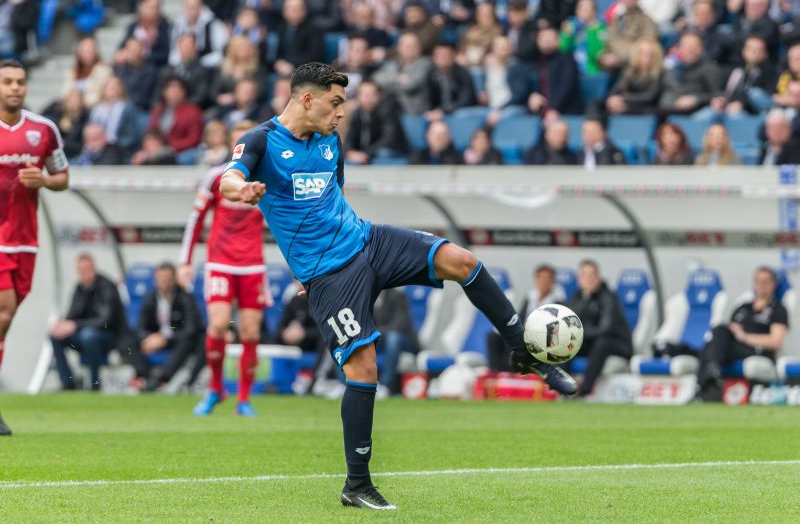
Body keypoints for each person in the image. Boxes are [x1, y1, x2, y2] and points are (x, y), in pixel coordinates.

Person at [220, 62, 576, 509]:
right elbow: (227, 180)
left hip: (368, 241)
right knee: (363, 371)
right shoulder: (261, 141)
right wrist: (244, 191)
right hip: (330, 274)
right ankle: (357, 485)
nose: (341, 113)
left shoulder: (330, 140)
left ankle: (524, 351)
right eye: (335, 102)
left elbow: (333, 195)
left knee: (460, 259)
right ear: (306, 99)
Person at [180, 120, 271, 417]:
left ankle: (243, 399)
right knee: (218, 325)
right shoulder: (217, 176)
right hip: (220, 262)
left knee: (249, 331)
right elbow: (195, 220)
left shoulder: (265, 178)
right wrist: (185, 261)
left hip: (253, 265)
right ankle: (216, 388)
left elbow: (284, 222)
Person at [0, 59, 70, 436]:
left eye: (21, 82)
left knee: (6, 319)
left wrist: (43, 180)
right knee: (5, 311)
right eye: (8, 82)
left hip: (25, 240)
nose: (15, 88)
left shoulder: (44, 131)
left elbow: (63, 177)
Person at [696, 266, 788, 401]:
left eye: (765, 281)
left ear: (773, 284)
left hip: (758, 350)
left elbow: (775, 342)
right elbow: (729, 331)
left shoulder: (778, 309)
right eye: (758, 281)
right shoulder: (743, 307)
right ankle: (712, 374)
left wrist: (745, 337)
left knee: (712, 347)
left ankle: (706, 384)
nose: (761, 285)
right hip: (734, 349)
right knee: (718, 331)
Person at [50, 254, 127, 391]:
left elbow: (105, 321)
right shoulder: (79, 288)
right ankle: (68, 382)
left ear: (94, 267)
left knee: (89, 335)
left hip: (109, 338)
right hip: (84, 337)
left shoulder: (107, 287)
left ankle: (94, 383)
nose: (84, 273)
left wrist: (75, 325)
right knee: (55, 336)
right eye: (81, 270)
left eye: (87, 269)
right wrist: (62, 325)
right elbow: (72, 316)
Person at [566, 260, 633, 397]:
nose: (589, 279)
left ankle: (584, 390)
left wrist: (579, 334)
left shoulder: (609, 297)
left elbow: (606, 329)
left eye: (593, 275)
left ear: (599, 278)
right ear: (579, 280)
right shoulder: (576, 298)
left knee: (602, 342)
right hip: (591, 342)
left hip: (617, 343)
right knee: (566, 344)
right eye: (585, 275)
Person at [134, 262, 203, 391]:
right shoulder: (150, 298)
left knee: (187, 341)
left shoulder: (185, 298)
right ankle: (146, 377)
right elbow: (140, 325)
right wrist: (148, 337)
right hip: (156, 338)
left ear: (174, 279)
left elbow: (191, 328)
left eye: (167, 278)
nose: (163, 281)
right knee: (130, 340)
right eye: (160, 278)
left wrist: (166, 339)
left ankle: (162, 379)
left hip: (176, 339)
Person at [487, 264, 565, 371]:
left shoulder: (558, 302)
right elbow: (520, 317)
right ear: (536, 280)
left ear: (553, 282)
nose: (544, 282)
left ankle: (510, 372)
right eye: (541, 278)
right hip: (524, 333)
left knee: (514, 342)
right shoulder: (530, 297)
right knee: (494, 336)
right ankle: (495, 374)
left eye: (547, 279)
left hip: (541, 338)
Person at [710, 35, 775, 117]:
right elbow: (720, 89)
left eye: (758, 50)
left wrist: (742, 104)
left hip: (752, 112)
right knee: (709, 113)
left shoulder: (769, 72)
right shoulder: (733, 69)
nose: (754, 52)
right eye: (750, 48)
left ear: (765, 54)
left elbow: (764, 97)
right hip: (727, 106)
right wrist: (719, 99)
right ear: (743, 51)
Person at [344, 81, 408, 164]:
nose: (368, 98)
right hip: (365, 154)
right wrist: (350, 152)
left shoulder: (387, 111)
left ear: (378, 96)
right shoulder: (357, 113)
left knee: (383, 154)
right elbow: (350, 138)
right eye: (365, 94)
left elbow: (388, 140)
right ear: (358, 97)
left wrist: (366, 153)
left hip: (389, 152)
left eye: (372, 94)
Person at [659, 32, 721, 115]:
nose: (690, 50)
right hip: (670, 112)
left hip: (697, 113)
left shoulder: (709, 68)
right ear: (678, 48)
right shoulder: (671, 68)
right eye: (686, 46)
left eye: (694, 46)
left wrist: (695, 99)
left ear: (701, 48)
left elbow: (718, 96)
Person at [526, 26, 582, 117]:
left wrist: (554, 108)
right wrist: (532, 96)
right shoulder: (535, 61)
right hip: (539, 111)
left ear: (558, 40)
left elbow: (567, 86)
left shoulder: (567, 58)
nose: (546, 40)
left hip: (564, 111)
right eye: (543, 38)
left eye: (550, 37)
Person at [372, 32, 432, 115]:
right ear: (399, 48)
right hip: (390, 110)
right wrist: (397, 78)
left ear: (419, 48)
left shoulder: (425, 64)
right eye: (407, 46)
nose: (410, 49)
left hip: (413, 112)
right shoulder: (393, 62)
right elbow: (376, 78)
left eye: (413, 46)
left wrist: (389, 83)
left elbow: (410, 85)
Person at [372, 288, 419, 394]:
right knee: (354, 340)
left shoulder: (397, 296)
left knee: (393, 338)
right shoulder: (368, 298)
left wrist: (376, 333)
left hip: (405, 340)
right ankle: (350, 384)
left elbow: (399, 324)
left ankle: (385, 385)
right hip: (381, 339)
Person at [599, 0, 658, 71]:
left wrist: (618, 58)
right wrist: (604, 55)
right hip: (611, 61)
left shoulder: (646, 21)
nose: (627, 0)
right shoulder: (617, 18)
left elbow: (646, 46)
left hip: (632, 65)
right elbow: (608, 39)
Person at [147, 76, 204, 159]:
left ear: (184, 92)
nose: (175, 92)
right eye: (171, 89)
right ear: (164, 92)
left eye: (178, 89)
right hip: (158, 150)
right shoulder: (158, 111)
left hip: (181, 152)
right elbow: (151, 133)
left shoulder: (193, 112)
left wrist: (171, 147)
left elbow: (194, 139)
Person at [605, 38, 664, 115]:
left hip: (646, 110)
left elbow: (650, 97)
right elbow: (616, 90)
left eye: (650, 53)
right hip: (625, 106)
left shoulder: (660, 73)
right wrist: (613, 99)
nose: (647, 56)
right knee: (595, 104)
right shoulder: (629, 72)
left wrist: (624, 99)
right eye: (642, 53)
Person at [168, 0, 228, 68]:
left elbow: (219, 54)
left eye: (195, 6)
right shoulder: (177, 26)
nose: (192, 9)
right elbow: (173, 53)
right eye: (189, 6)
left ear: (201, 7)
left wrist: (198, 63)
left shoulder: (214, 25)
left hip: (208, 67)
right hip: (183, 66)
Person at [88, 76, 141, 160]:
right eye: (110, 86)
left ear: (121, 89)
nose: (113, 88)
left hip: (118, 148)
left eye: (116, 86)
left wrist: (113, 145)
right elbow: (90, 130)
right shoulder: (96, 109)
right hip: (96, 147)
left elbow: (131, 136)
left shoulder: (127, 108)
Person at [274, 0, 324, 77]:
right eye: (288, 8)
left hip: (306, 71)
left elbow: (314, 56)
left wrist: (292, 66)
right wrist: (278, 63)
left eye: (296, 8)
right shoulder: (281, 27)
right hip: (285, 69)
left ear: (304, 10)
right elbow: (279, 52)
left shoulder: (314, 29)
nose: (291, 11)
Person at [424, 43, 476, 121]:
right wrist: (430, 111)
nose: (443, 59)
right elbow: (427, 98)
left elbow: (466, 99)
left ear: (453, 57)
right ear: (434, 58)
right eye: (440, 56)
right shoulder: (430, 74)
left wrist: (444, 111)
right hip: (437, 114)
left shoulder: (463, 73)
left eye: (446, 56)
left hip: (459, 113)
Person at [118, 0, 171, 67]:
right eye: (151, 7)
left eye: (157, 7)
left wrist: (142, 55)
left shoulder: (165, 27)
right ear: (142, 6)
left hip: (154, 68)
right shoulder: (133, 26)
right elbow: (122, 47)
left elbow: (166, 54)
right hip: (131, 67)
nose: (154, 10)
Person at [559, 0, 607, 76]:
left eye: (589, 8)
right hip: (571, 70)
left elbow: (598, 52)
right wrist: (568, 35)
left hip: (593, 70)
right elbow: (563, 47)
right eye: (582, 7)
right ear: (577, 10)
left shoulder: (600, 27)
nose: (585, 10)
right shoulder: (570, 25)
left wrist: (591, 31)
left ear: (595, 11)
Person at [61, 36, 112, 107]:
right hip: (71, 108)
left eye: (90, 50)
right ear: (79, 53)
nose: (88, 54)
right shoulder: (72, 72)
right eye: (85, 51)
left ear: (96, 52)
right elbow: (64, 93)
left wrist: (80, 101)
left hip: (91, 108)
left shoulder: (104, 71)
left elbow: (101, 95)